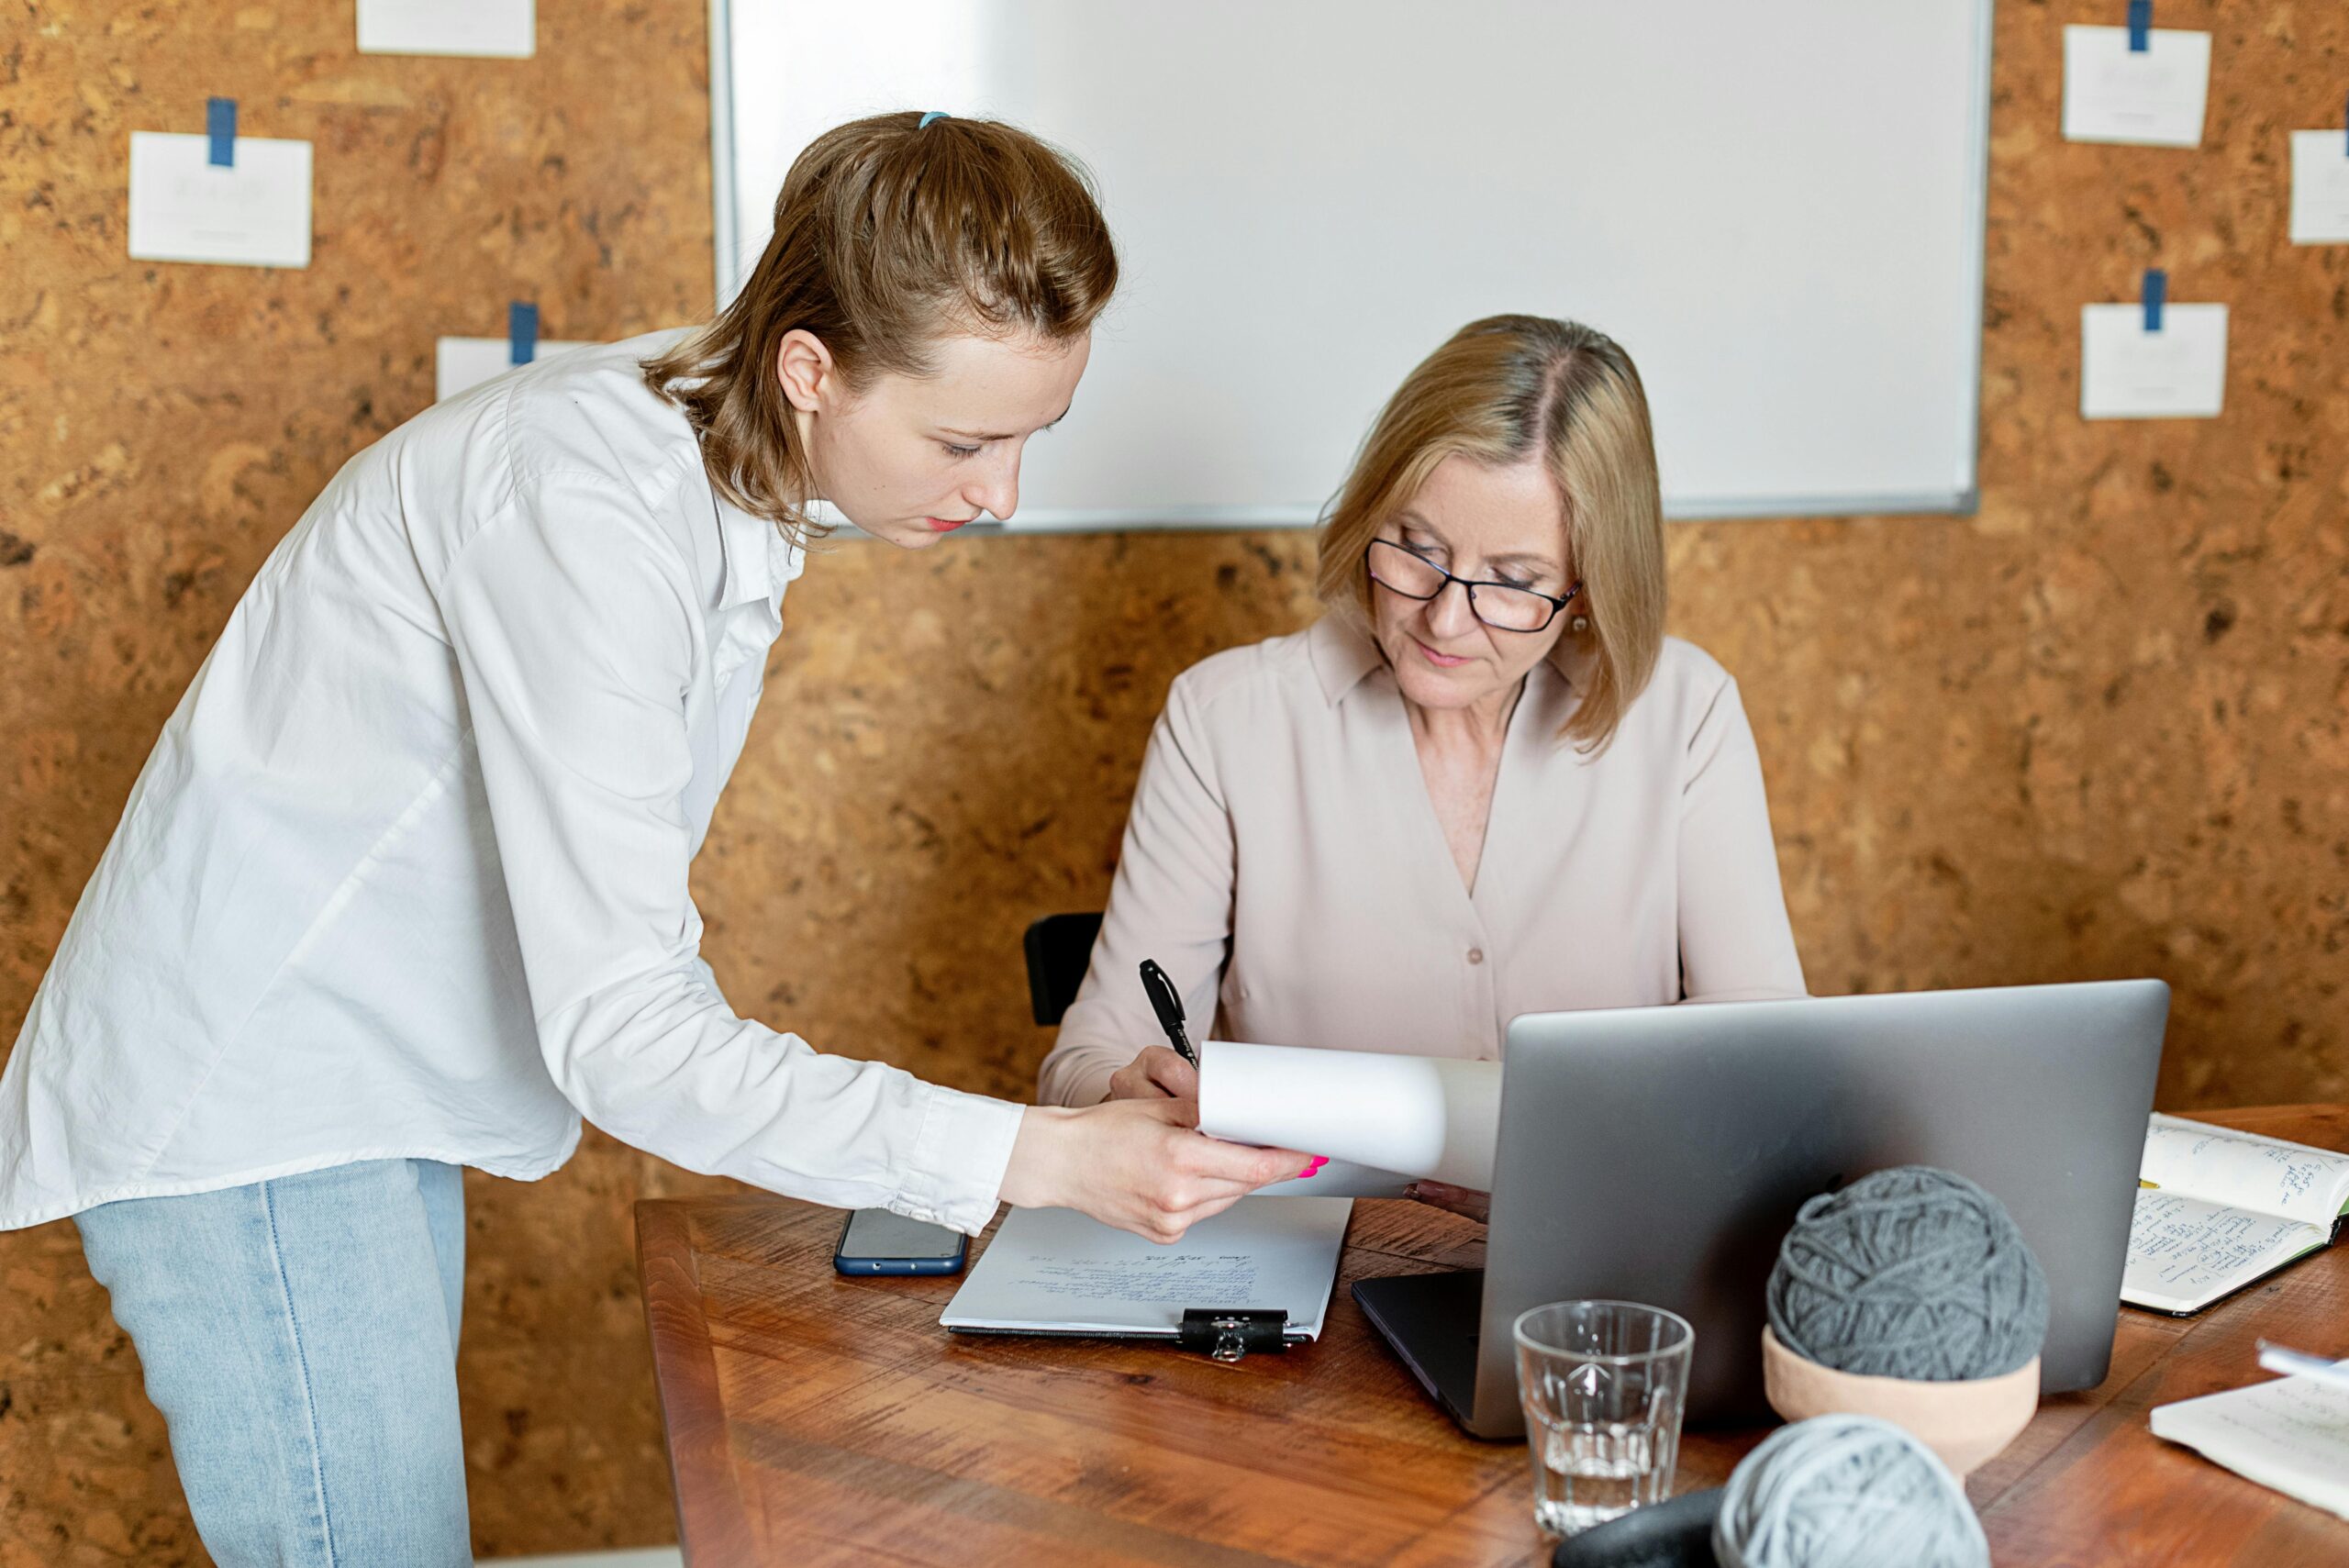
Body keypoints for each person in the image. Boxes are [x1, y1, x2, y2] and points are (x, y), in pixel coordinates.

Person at [0, 113, 1307, 1568]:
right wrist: (1042, 1159)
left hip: (349, 1099)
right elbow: (626, 1036)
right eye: (963, 440)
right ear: (812, 369)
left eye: (1029, 438)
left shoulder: (705, 451)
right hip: (255, 1109)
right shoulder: (586, 503)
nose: (1002, 495)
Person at [1039, 314, 1808, 1119]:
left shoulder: (1684, 714)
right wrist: (1127, 1091)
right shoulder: (1226, 721)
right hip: (1322, 1235)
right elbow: (1085, 1063)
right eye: (1418, 548)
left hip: (1602, 1235)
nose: (1444, 622)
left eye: (1515, 580)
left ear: (1589, 587)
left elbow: (1763, 1045)